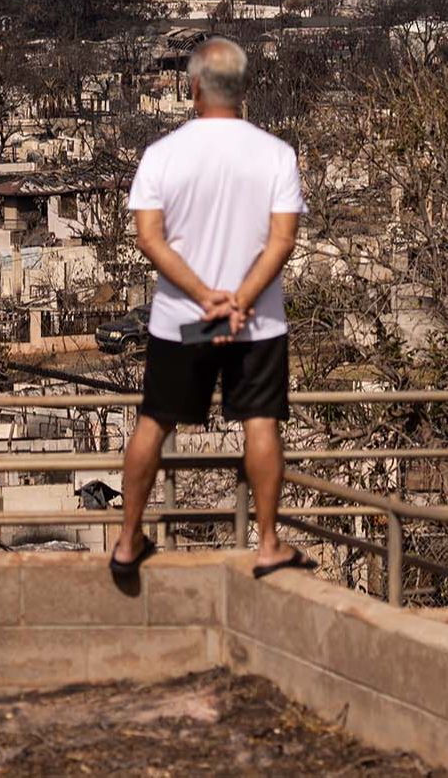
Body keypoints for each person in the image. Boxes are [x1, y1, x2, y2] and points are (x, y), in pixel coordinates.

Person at [110, 36, 315, 580]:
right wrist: (240, 301)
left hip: (181, 321)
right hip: (258, 321)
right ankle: (268, 542)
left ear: (193, 86)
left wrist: (204, 298)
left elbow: (150, 239)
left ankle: (128, 540)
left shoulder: (162, 155)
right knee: (261, 423)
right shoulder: (277, 154)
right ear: (245, 88)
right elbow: (283, 241)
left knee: (153, 423)